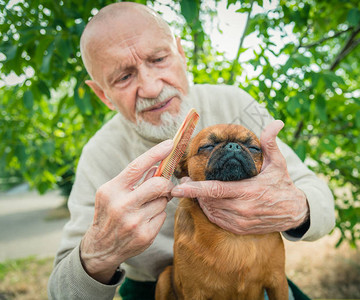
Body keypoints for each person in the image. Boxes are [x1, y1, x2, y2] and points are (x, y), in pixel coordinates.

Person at [48, 2, 335, 299]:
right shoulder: (99, 155)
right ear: (102, 94)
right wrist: (98, 253)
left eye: (158, 59)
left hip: (254, 277)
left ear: (180, 53)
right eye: (123, 77)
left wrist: (296, 208)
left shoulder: (234, 103)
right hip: (158, 286)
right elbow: (62, 291)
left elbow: (318, 197)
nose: (150, 87)